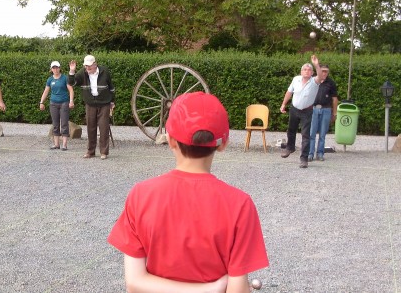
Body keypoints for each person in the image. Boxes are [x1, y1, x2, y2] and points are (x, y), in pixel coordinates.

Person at [108, 92, 269, 292]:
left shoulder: (140, 195)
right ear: (223, 144)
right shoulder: (240, 204)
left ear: (170, 139)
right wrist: (211, 289)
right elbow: (237, 289)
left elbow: (135, 283)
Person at [279, 55, 324, 168]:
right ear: (301, 71)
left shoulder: (315, 81)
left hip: (307, 111)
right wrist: (284, 104)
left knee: (305, 135)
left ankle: (304, 159)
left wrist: (316, 64)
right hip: (294, 109)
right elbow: (289, 92)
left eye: (309, 70)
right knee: (291, 130)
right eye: (305, 69)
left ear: (312, 72)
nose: (307, 71)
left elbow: (320, 75)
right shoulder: (296, 79)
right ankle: (290, 148)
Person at [68, 55, 115, 160]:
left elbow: (111, 88)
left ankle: (104, 152)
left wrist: (112, 101)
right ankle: (90, 151)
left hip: (104, 103)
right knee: (91, 128)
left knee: (104, 128)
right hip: (90, 104)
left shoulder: (104, 71)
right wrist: (72, 71)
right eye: (85, 66)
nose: (87, 68)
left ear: (95, 64)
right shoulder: (82, 73)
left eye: (89, 66)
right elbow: (72, 83)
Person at [39, 60, 74, 150]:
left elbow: (70, 90)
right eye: (53, 68)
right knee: (55, 124)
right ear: (51, 69)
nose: (55, 69)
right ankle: (56, 144)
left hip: (64, 103)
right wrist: (41, 102)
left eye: (57, 67)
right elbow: (46, 91)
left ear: (60, 68)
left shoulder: (65, 78)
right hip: (53, 103)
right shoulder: (50, 79)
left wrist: (71, 101)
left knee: (64, 123)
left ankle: (64, 144)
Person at [309, 64, 338, 162]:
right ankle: (310, 153)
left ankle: (320, 153)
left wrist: (334, 113)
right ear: (319, 71)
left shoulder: (331, 83)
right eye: (323, 71)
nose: (324, 73)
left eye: (326, 71)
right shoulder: (312, 81)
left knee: (322, 133)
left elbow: (334, 99)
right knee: (311, 133)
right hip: (313, 109)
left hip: (326, 109)